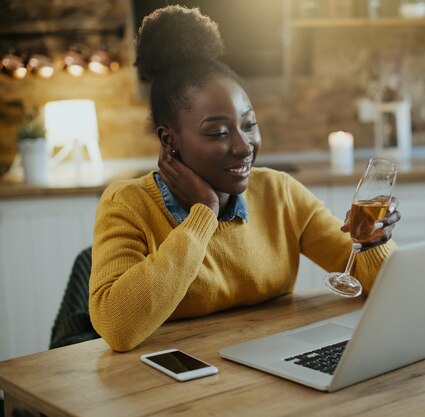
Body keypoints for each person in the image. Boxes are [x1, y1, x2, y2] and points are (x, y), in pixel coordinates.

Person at [88, 5, 401, 352]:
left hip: (270, 367)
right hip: (173, 386)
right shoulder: (129, 205)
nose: (243, 146)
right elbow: (116, 327)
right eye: (218, 132)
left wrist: (372, 244)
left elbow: (386, 285)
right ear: (169, 141)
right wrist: (202, 215)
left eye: (249, 124)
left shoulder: (279, 192)